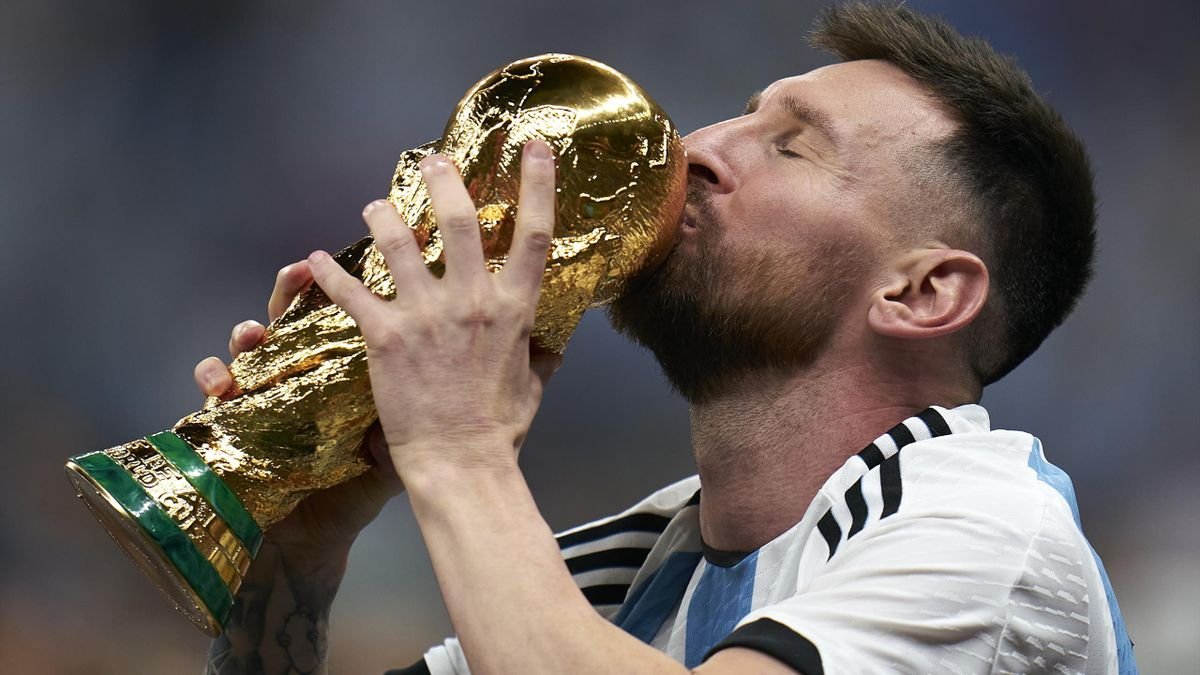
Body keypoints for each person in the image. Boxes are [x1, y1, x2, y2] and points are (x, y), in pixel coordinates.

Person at [196, 4, 1135, 674]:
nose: (693, 148)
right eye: (742, 113)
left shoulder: (990, 539)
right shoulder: (630, 572)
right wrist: (298, 558)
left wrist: (459, 448)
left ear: (924, 292)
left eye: (791, 145)